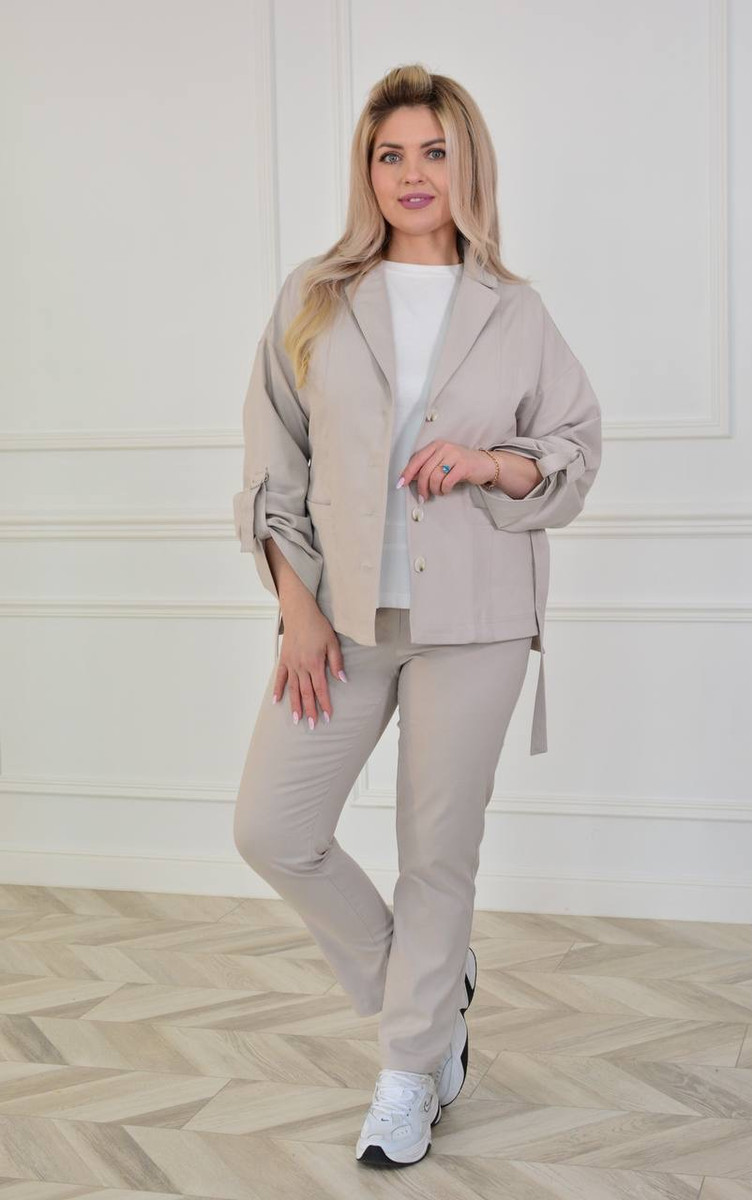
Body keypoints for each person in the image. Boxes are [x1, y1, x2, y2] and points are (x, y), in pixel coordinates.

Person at [232, 63, 602, 1168]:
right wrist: (297, 609)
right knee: (272, 829)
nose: (411, 173)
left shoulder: (515, 310)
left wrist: (490, 461)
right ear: (367, 170)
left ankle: (408, 1073)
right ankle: (430, 997)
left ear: (464, 164)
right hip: (342, 619)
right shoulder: (314, 295)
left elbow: (574, 452)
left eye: (433, 151)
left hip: (479, 619)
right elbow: (273, 466)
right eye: (389, 153)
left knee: (436, 855)